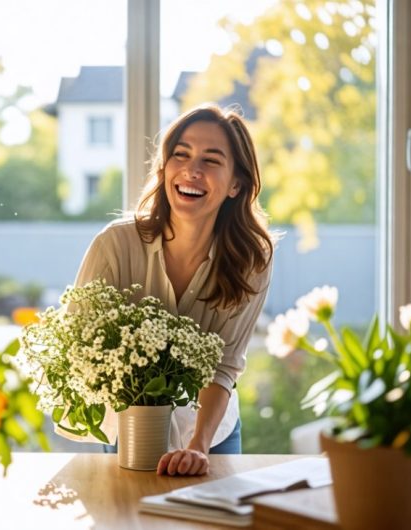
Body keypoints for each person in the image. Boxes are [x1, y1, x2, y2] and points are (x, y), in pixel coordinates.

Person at [70, 104, 274, 476]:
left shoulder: (251, 258)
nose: (192, 170)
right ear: (164, 168)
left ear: (236, 184)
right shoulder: (115, 245)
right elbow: (80, 348)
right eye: (181, 154)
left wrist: (198, 447)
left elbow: (225, 365)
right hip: (130, 429)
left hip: (212, 436)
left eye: (211, 160)